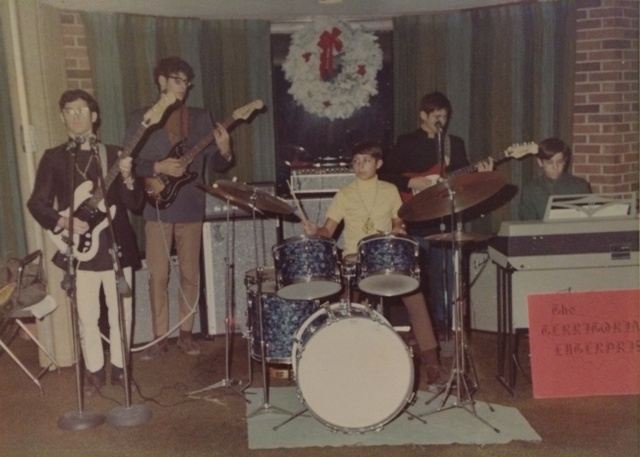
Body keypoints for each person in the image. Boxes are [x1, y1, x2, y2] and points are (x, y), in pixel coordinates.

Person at [302, 140, 449, 391]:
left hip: (385, 257)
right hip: (354, 260)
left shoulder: (390, 189)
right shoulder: (345, 193)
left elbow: (398, 222)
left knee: (416, 297)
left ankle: (433, 367)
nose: (360, 165)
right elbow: (329, 230)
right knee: (348, 308)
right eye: (356, 161)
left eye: (366, 160)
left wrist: (399, 229)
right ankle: (348, 364)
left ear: (378, 164)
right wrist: (316, 230)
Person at [27, 89, 144, 397]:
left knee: (123, 314)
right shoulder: (54, 158)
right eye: (69, 111)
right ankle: (93, 371)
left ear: (95, 116)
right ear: (63, 116)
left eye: (82, 110)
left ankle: (120, 370)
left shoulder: (116, 154)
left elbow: (135, 204)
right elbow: (37, 204)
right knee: (87, 315)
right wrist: (64, 221)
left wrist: (131, 179)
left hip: (116, 246)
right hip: (79, 249)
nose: (76, 116)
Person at [128, 56, 234, 360]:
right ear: (161, 81)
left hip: (190, 204)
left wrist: (225, 150)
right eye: (177, 80)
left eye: (187, 82)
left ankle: (186, 334)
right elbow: (128, 161)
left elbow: (215, 161)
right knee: (158, 275)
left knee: (190, 273)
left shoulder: (200, 117)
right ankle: (160, 336)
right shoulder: (141, 117)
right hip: (157, 205)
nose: (184, 87)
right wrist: (158, 165)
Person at [379, 91, 493, 338]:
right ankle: (418, 330)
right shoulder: (406, 142)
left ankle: (444, 327)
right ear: (423, 115)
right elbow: (387, 175)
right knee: (416, 276)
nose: (442, 120)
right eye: (436, 115)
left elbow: (464, 179)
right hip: (415, 216)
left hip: (443, 218)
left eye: (445, 115)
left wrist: (482, 174)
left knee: (445, 276)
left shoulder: (455, 143)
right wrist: (413, 183)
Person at [518, 137, 591, 220]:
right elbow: (527, 225)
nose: (555, 167)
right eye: (549, 163)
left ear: (565, 161)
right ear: (540, 162)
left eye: (559, 162)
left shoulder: (580, 186)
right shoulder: (530, 189)